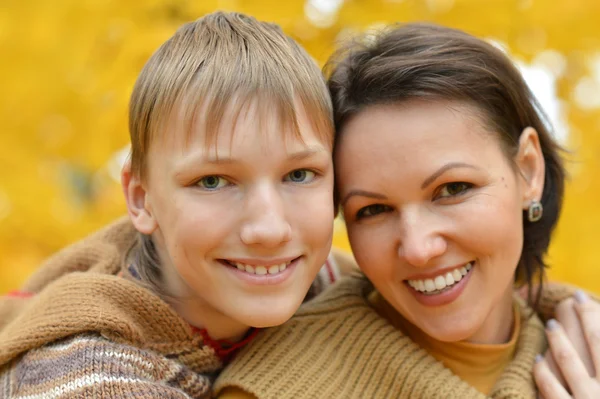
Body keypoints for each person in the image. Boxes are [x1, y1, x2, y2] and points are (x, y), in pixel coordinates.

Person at [214, 22, 599, 398]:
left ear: (528, 170)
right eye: (373, 210)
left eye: (452, 189)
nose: (418, 248)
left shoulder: (581, 343)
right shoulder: (275, 387)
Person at [0, 11, 352, 398]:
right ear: (141, 199)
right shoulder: (83, 375)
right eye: (212, 181)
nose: (269, 230)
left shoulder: (337, 283)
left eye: (299, 175)